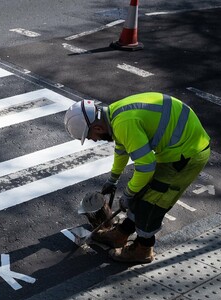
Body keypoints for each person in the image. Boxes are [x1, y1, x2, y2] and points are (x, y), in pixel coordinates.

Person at [64, 92, 211, 263]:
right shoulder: (114, 114)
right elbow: (121, 148)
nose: (94, 140)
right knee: (141, 194)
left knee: (152, 203)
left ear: (97, 128)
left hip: (187, 155)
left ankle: (143, 250)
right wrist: (113, 179)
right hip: (177, 150)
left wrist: (127, 194)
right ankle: (121, 234)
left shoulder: (124, 123)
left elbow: (146, 167)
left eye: (90, 137)